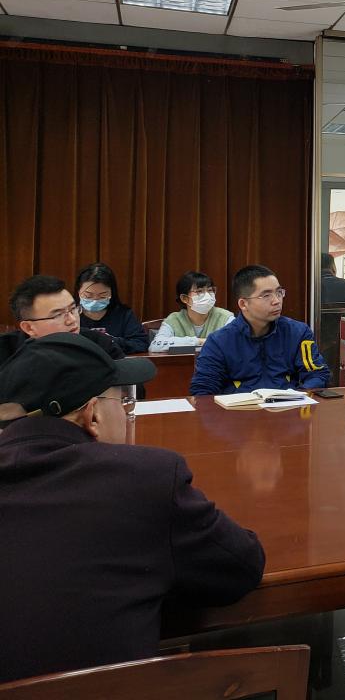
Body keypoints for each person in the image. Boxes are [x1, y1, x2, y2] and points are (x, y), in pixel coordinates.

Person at [0, 333, 265, 681]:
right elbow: (241, 566)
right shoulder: (145, 479)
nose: (128, 412)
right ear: (92, 416)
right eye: (124, 401)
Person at [190, 264, 329, 396]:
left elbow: (317, 374)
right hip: (240, 410)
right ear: (243, 304)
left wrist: (299, 396)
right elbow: (203, 391)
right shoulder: (219, 342)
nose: (276, 301)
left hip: (289, 408)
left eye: (279, 292)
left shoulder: (298, 332)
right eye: (266, 295)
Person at [1, 275, 126, 365]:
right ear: (29, 328)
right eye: (58, 315)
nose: (72, 320)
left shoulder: (101, 344)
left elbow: (128, 388)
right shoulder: (5, 351)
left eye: (73, 309)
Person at [149, 271, 235, 353]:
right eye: (199, 291)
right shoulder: (174, 319)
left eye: (210, 290)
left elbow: (235, 343)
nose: (207, 296)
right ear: (184, 298)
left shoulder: (225, 317)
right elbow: (155, 346)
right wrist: (198, 341)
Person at [74, 262, 149, 355]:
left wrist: (112, 342)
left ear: (111, 293)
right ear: (78, 291)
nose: (95, 300)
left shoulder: (124, 315)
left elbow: (141, 344)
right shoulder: (71, 315)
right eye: (88, 296)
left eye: (102, 296)